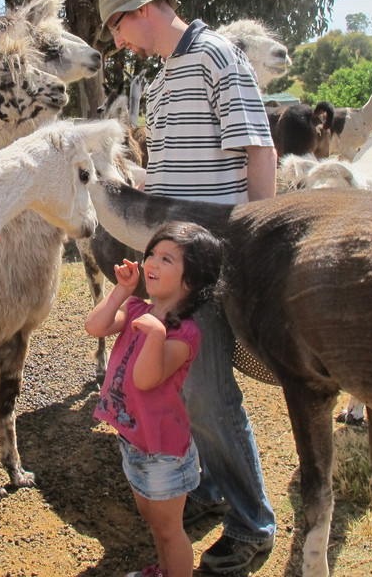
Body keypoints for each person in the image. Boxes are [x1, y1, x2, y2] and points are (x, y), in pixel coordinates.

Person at [98, 0, 278, 575]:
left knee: (209, 392)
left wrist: (256, 242)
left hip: (212, 256)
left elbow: (258, 149)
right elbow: (170, 170)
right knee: (183, 386)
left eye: (118, 27)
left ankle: (252, 525)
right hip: (175, 257)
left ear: (145, 9)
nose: (120, 43)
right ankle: (209, 486)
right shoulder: (161, 79)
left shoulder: (215, 56)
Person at [86, 221, 224, 577]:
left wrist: (157, 334)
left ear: (190, 281)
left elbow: (145, 379)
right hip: (135, 441)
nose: (151, 263)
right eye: (151, 254)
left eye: (166, 259)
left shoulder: (184, 334)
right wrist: (121, 291)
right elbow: (96, 327)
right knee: (152, 519)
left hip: (163, 451)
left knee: (169, 529)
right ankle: (163, 571)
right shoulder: (136, 310)